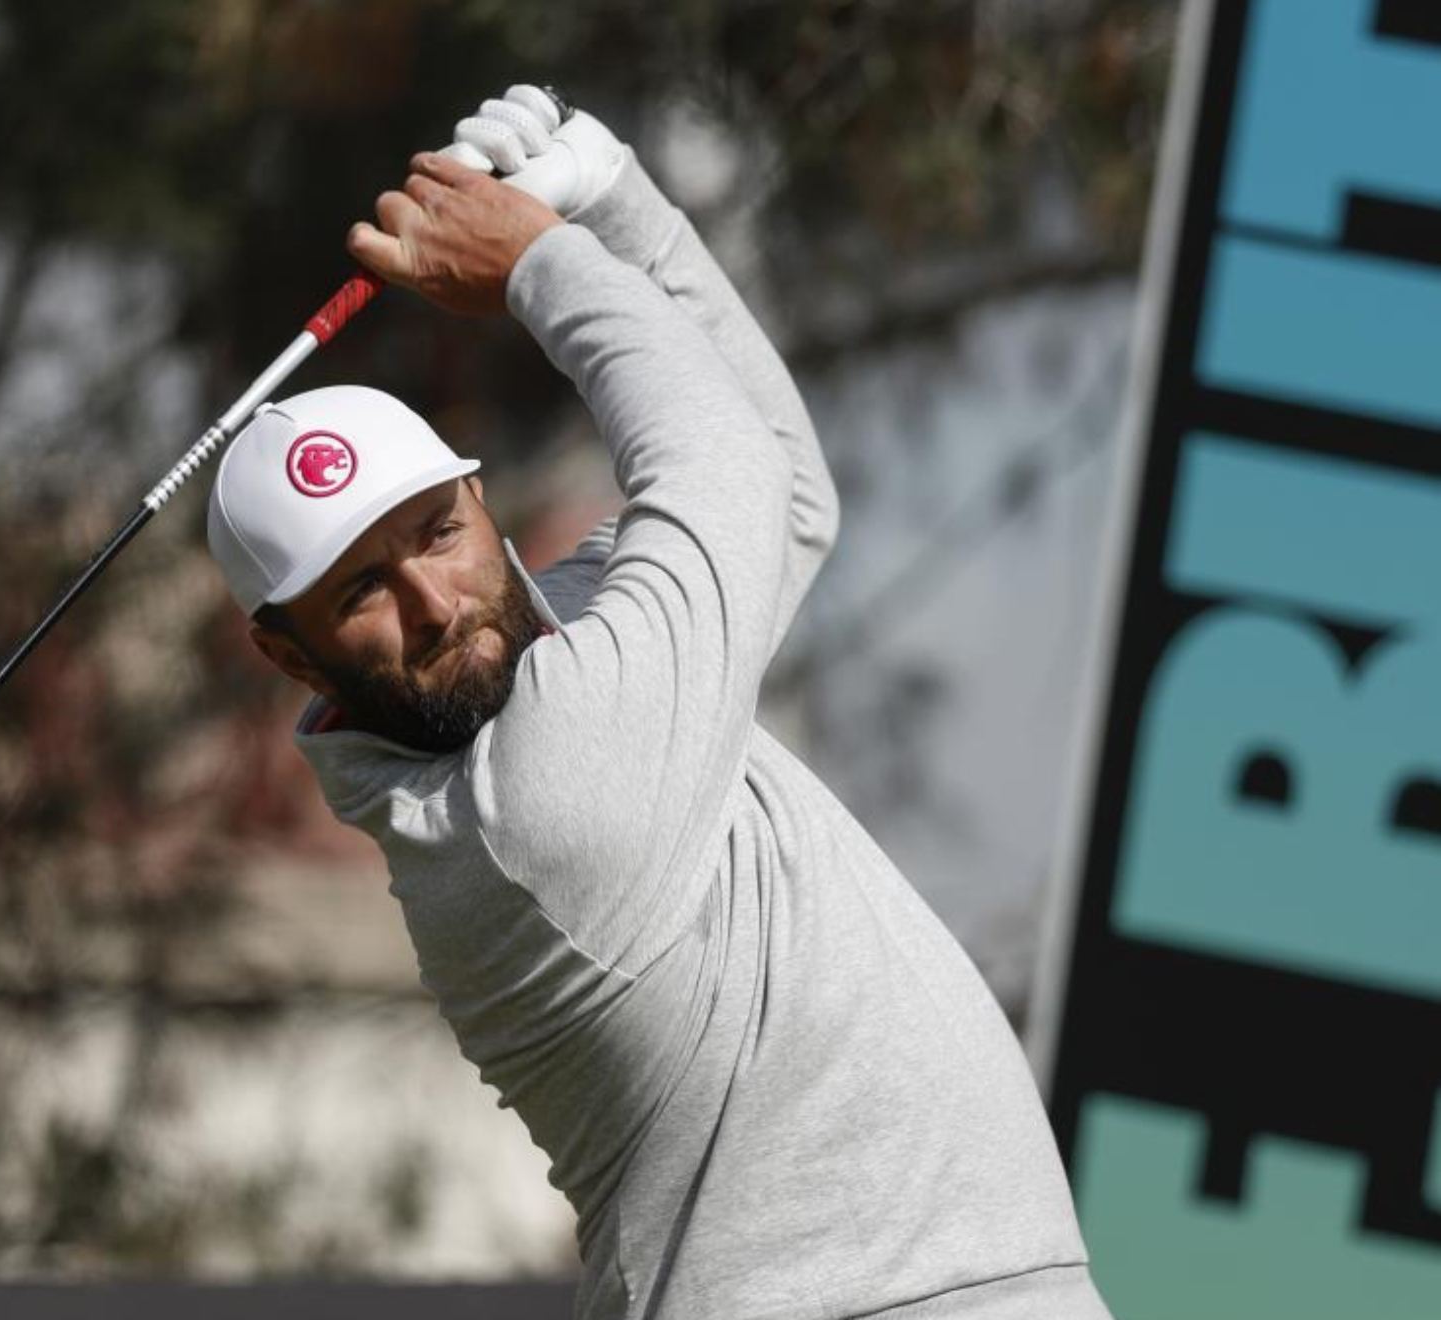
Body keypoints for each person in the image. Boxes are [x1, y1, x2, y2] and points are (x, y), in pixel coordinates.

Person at [204, 88, 1114, 1320]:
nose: (434, 601)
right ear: (293, 657)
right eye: (364, 588)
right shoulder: (530, 810)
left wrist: (614, 203)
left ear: (482, 504)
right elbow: (724, 469)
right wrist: (542, 262)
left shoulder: (578, 659)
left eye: (436, 531)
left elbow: (783, 494)